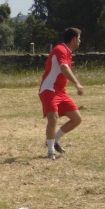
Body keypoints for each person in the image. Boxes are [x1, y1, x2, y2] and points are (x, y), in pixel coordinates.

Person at [39, 27, 84, 160]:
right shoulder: (60, 49)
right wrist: (76, 83)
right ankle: (50, 151)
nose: (80, 41)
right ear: (74, 39)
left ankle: (54, 140)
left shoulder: (67, 53)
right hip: (49, 89)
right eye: (79, 38)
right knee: (53, 118)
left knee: (77, 119)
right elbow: (64, 68)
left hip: (60, 91)